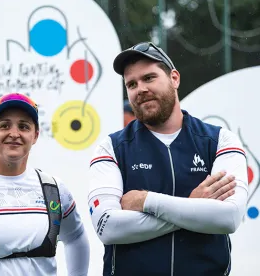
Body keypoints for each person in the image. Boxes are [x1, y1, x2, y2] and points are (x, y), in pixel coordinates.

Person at [88, 41, 248, 276]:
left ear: (174, 78)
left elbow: (229, 218)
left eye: (149, 78)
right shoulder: (110, 147)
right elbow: (109, 228)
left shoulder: (220, 140)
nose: (140, 89)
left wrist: (146, 201)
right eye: (131, 84)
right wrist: (195, 207)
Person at [0, 92, 90, 276]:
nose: (14, 134)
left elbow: (75, 238)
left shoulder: (53, 189)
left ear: (35, 135)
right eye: (4, 125)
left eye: (23, 126)